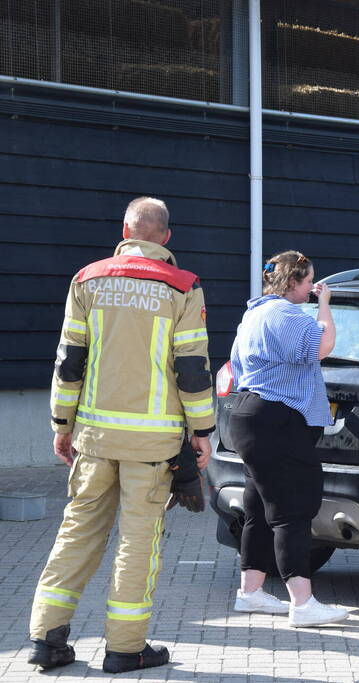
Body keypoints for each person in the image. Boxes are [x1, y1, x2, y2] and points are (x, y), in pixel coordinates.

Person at [29, 197, 215, 673]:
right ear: (166, 237)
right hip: (150, 446)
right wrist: (202, 432)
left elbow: (69, 359)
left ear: (125, 229)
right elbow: (192, 369)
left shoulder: (87, 279)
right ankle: (125, 647)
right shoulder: (183, 286)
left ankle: (46, 640)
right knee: (138, 543)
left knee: (77, 533)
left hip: (93, 437)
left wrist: (61, 424)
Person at [229, 250, 350, 628]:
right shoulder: (286, 314)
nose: (313, 288)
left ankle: (250, 594)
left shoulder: (254, 313)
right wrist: (325, 305)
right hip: (277, 421)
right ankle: (302, 602)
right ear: (295, 281)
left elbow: (235, 363)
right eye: (310, 281)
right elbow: (323, 346)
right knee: (291, 511)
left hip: (249, 416)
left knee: (258, 510)